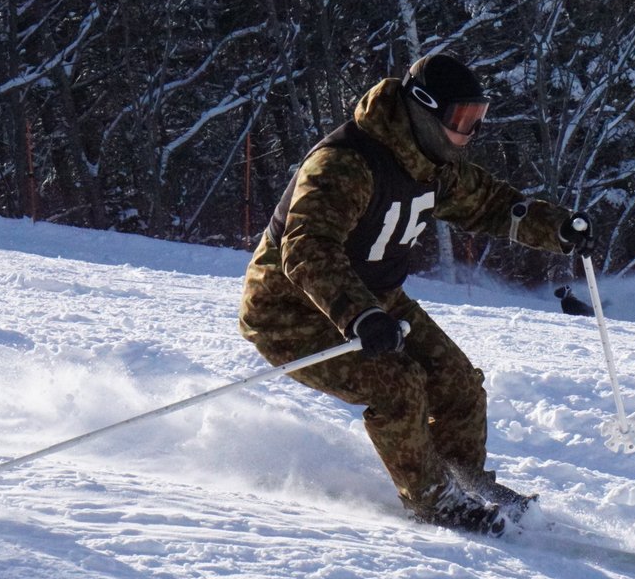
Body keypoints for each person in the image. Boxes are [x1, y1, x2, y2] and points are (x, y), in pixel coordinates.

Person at [238, 53, 595, 536]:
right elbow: (307, 249)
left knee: (458, 383)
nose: (469, 133)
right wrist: (360, 315)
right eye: (460, 120)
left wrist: (558, 229)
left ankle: (464, 482)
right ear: (422, 110)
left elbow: (492, 205)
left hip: (373, 297)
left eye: (477, 121)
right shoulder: (346, 163)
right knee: (397, 383)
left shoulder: (433, 163)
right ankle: (434, 500)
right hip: (290, 310)